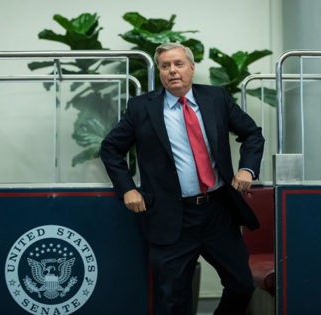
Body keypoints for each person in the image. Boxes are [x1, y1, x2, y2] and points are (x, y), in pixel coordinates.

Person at [100, 42, 264, 315]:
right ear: (160, 72)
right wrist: (127, 188)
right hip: (171, 217)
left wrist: (247, 169)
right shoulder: (142, 108)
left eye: (178, 64)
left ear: (191, 67)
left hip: (217, 213)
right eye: (165, 66)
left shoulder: (216, 99)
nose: (172, 71)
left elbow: (252, 134)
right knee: (172, 301)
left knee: (242, 285)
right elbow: (110, 148)